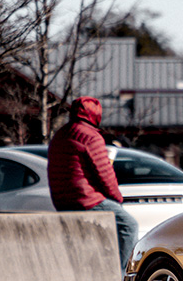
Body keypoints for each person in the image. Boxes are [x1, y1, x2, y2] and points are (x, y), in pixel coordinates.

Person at [48, 96, 138, 270]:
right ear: (95, 114)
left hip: (61, 201)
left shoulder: (60, 134)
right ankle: (119, 276)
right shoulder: (91, 136)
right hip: (85, 200)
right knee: (128, 225)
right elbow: (105, 174)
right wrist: (117, 198)